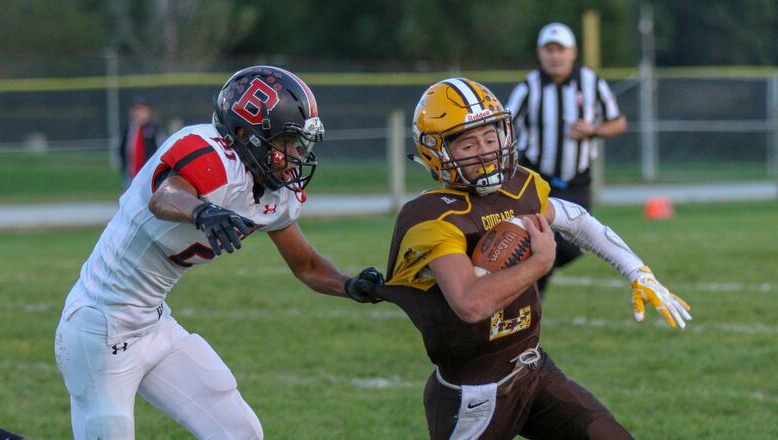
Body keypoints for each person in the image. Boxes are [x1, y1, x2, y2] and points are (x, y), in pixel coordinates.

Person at [54, 66, 383, 440]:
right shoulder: (213, 154)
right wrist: (201, 211)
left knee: (240, 431)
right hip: (98, 329)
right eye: (287, 143)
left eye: (299, 145)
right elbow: (164, 197)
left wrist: (350, 285)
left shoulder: (271, 191)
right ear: (246, 134)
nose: (295, 156)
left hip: (153, 325)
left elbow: (306, 264)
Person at [374, 78, 690, 439]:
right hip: (474, 396)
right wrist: (539, 263)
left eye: (491, 137)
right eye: (468, 143)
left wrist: (636, 269)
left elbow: (577, 220)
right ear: (437, 151)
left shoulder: (520, 185)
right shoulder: (432, 216)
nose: (486, 150)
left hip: (534, 372)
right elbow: (470, 303)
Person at [506, 22, 627, 297]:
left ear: (573, 52)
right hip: (536, 178)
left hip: (576, 181)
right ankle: (529, 292)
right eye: (549, 50)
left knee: (574, 244)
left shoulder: (591, 83)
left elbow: (618, 122)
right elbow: (506, 124)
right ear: (540, 53)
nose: (555, 56)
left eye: (560, 49)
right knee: (527, 241)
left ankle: (538, 272)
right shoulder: (529, 86)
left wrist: (594, 130)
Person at [118, 96, 166, 188]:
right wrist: (124, 167)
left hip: (148, 174)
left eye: (141, 110)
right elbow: (122, 149)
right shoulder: (128, 129)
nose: (138, 113)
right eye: (136, 110)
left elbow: (161, 149)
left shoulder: (155, 128)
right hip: (131, 174)